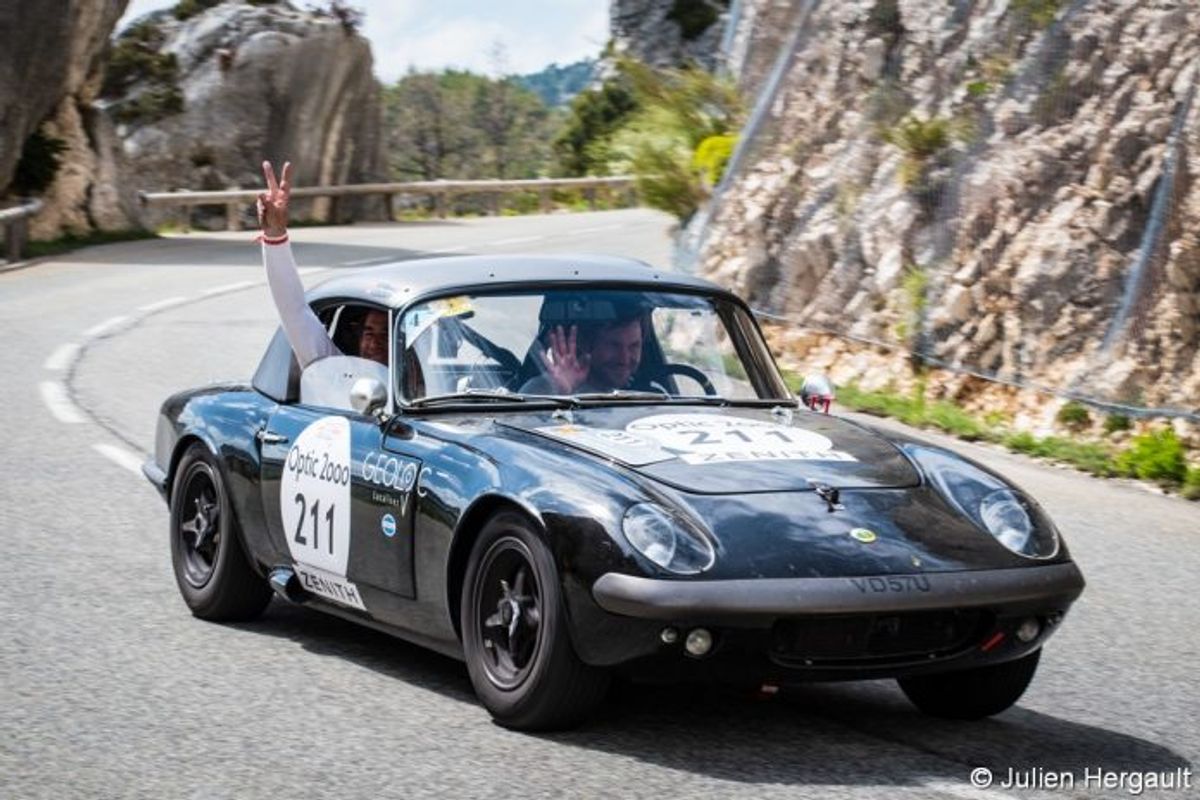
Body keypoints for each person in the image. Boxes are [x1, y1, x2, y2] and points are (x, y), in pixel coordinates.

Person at [257, 160, 388, 369]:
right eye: (369, 332)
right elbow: (294, 310)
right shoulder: (334, 369)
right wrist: (275, 236)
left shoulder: (423, 385)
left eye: (386, 334)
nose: (375, 343)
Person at [521, 316, 644, 395]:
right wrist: (560, 392)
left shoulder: (653, 395)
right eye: (614, 346)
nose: (625, 358)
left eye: (634, 346)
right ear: (585, 345)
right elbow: (518, 429)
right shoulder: (542, 389)